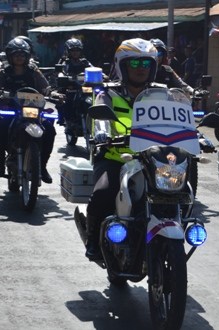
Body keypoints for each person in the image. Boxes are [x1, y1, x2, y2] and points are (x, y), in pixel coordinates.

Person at [77, 38, 161, 260]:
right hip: (116, 157)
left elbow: (177, 119)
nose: (141, 69)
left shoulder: (161, 95)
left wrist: (196, 135)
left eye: (145, 64)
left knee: (179, 191)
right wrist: (102, 132)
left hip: (152, 160)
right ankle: (93, 240)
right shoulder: (108, 94)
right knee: (104, 193)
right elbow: (100, 116)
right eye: (134, 64)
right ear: (122, 66)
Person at [0, 38, 62, 183]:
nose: (19, 57)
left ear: (27, 56)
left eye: (22, 54)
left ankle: (42, 167)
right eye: (16, 54)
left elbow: (45, 87)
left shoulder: (34, 71)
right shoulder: (4, 71)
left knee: (49, 129)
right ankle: (0, 163)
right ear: (10, 56)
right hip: (10, 108)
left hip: (32, 109)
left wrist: (53, 93)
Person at [55, 37, 93, 125]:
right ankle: (66, 119)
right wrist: (62, 76)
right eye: (73, 50)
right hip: (70, 86)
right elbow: (60, 72)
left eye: (77, 50)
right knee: (65, 98)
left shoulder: (85, 62)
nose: (75, 52)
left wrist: (102, 75)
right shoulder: (65, 62)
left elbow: (92, 69)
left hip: (84, 86)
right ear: (68, 51)